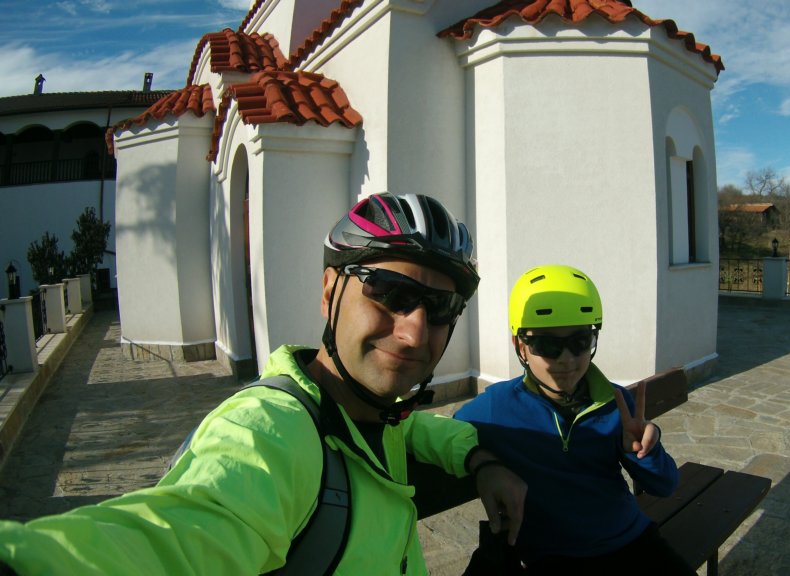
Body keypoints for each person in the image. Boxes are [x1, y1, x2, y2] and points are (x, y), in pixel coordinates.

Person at [0, 192, 526, 575]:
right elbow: (178, 538)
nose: (414, 332)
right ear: (330, 291)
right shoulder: (267, 432)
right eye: (391, 292)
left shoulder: (373, 414)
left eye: (441, 308)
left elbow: (416, 431)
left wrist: (480, 459)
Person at [455, 264, 696, 575]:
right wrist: (482, 462)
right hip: (553, 558)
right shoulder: (496, 407)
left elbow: (665, 485)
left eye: (580, 341)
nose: (566, 359)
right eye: (547, 344)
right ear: (521, 346)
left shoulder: (616, 402)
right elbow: (445, 433)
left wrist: (645, 451)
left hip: (632, 540)